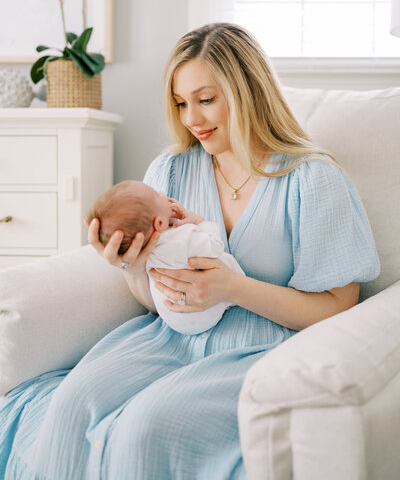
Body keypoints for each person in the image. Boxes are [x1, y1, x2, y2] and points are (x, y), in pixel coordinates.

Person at [0, 23, 380, 480]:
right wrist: (133, 266)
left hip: (258, 351)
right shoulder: (171, 171)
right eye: (181, 103)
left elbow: (339, 308)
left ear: (248, 91)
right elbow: (154, 300)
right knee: (70, 407)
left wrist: (234, 289)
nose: (191, 119)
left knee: (146, 428)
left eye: (205, 100)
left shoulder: (311, 179)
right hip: (167, 339)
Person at [85, 180, 243, 334]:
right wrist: (200, 222)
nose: (162, 193)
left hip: (175, 321)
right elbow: (215, 246)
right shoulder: (183, 237)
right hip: (207, 315)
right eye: (156, 194)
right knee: (225, 261)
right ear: (159, 224)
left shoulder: (146, 253)